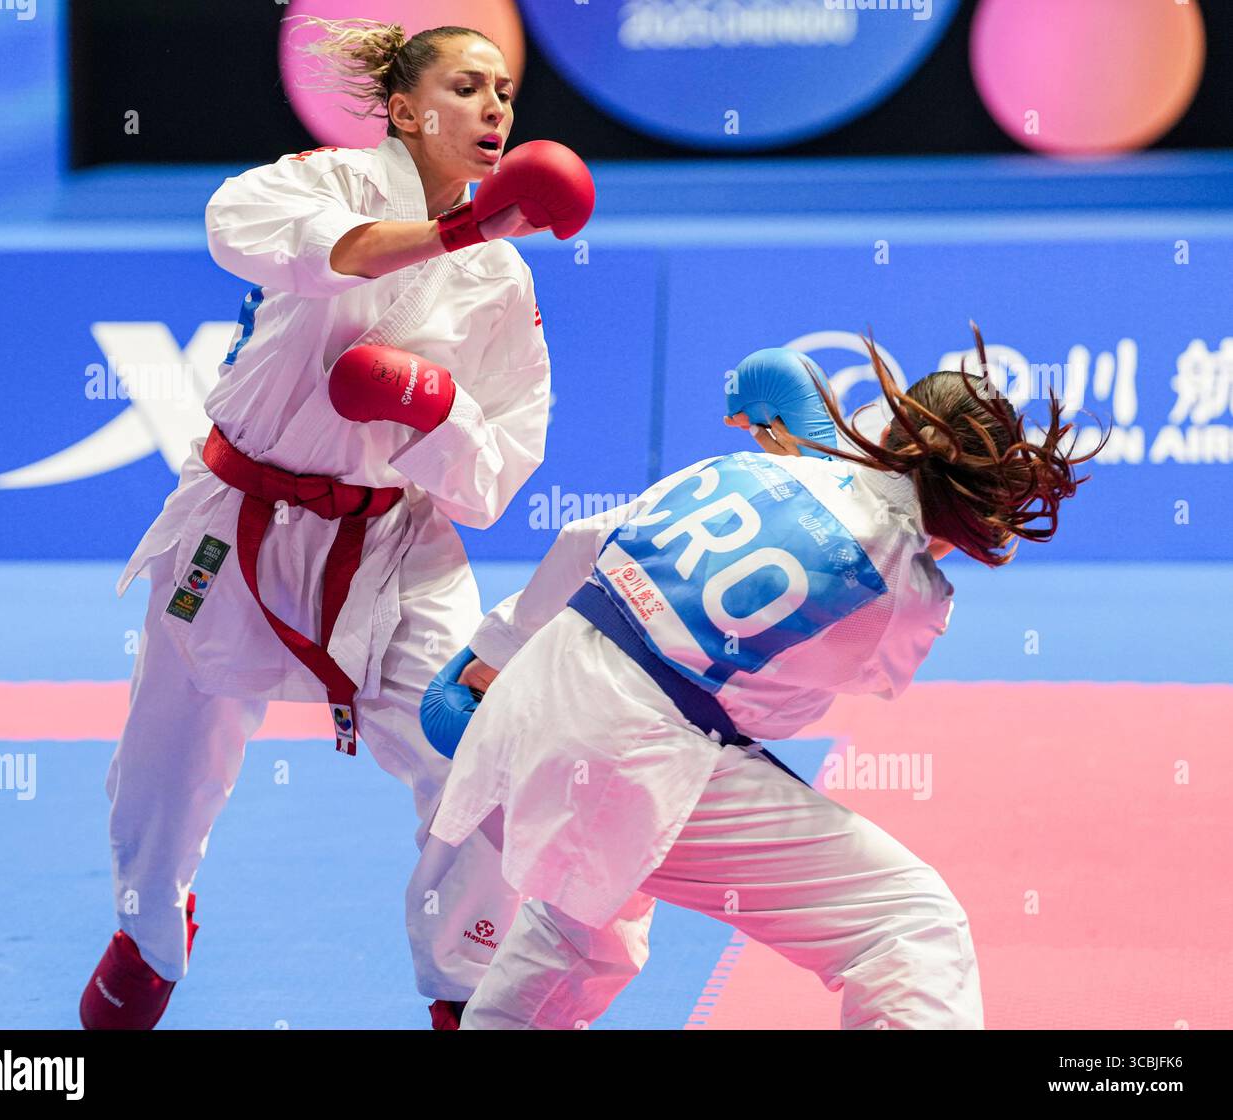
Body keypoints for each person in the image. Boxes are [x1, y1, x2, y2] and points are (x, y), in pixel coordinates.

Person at [80, 18, 582, 1030]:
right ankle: (151, 930)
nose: (494, 108)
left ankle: (463, 997)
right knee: (162, 783)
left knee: (479, 753)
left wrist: (433, 412)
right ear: (403, 110)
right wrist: (461, 230)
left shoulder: (502, 281)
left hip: (397, 548)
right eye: (467, 87)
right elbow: (274, 244)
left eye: (504, 94)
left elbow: (490, 483)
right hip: (238, 525)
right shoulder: (322, 181)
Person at [428, 327, 1103, 1029]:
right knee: (910, 921)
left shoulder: (747, 468)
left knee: (589, 925)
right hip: (633, 749)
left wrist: (495, 652)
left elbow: (585, 543)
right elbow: (801, 699)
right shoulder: (909, 593)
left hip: (539, 689)